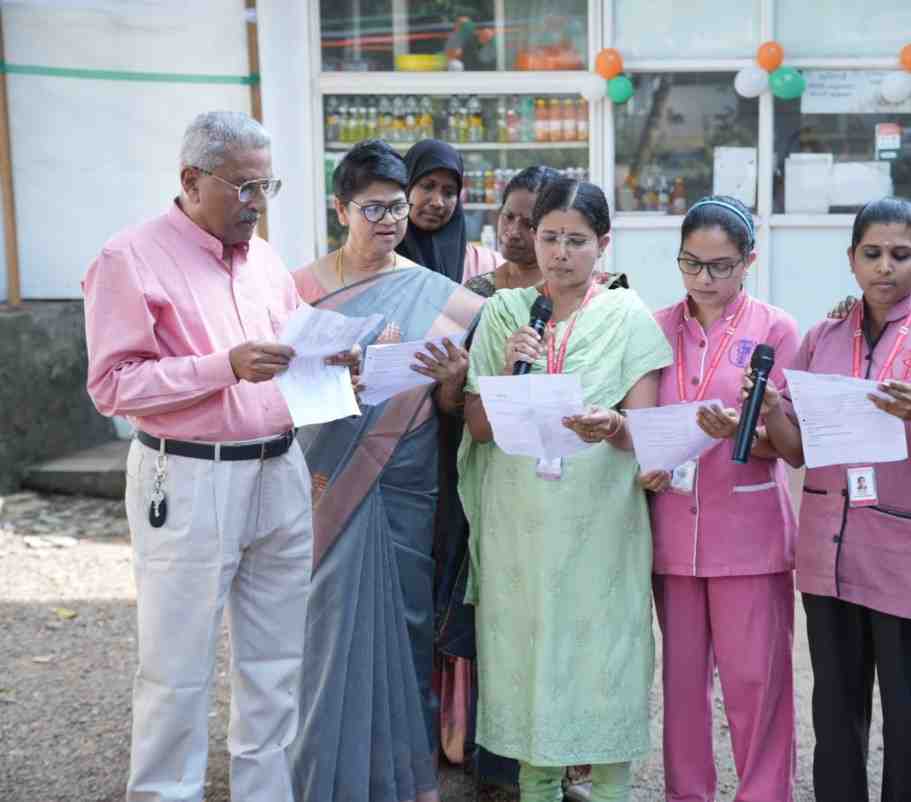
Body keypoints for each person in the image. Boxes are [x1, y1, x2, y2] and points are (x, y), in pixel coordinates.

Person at [83, 110, 343, 802]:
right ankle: (167, 792)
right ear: (191, 181)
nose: (258, 205)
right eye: (245, 188)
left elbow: (281, 359)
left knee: (277, 660)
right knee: (176, 666)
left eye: (268, 187)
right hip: (190, 475)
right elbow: (112, 386)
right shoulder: (127, 258)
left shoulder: (263, 260)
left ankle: (266, 792)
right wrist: (221, 366)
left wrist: (329, 360)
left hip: (279, 468)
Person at [757, 197, 911, 802]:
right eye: (872, 254)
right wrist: (770, 411)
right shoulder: (823, 336)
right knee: (835, 716)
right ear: (851, 259)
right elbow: (794, 451)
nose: (884, 267)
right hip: (829, 558)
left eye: (900, 254)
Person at [458, 177, 672, 802]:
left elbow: (644, 435)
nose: (558, 252)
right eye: (548, 236)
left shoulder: (628, 317)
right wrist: (502, 373)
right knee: (531, 662)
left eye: (575, 240)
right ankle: (538, 787)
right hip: (518, 529)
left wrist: (613, 426)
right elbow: (476, 426)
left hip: (599, 525)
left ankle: (608, 788)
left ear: (603, 244)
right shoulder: (503, 312)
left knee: (603, 658)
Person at [288, 139, 485, 801]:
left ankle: (405, 778)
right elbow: (275, 393)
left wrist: (455, 381)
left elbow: (451, 406)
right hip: (324, 473)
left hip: (404, 473)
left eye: (397, 207)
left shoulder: (439, 297)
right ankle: (319, 775)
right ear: (340, 208)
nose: (389, 220)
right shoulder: (300, 291)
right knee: (323, 628)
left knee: (403, 626)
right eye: (373, 207)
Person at [636, 196, 801, 802]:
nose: (704, 279)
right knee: (682, 684)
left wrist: (748, 430)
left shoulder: (776, 329)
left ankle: (763, 793)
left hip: (749, 532)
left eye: (721, 266)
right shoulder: (653, 327)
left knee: (756, 681)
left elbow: (793, 447)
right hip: (674, 531)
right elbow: (640, 419)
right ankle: (688, 793)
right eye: (691, 263)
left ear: (749, 261)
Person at [466, 165, 627, 299]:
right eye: (508, 216)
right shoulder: (477, 293)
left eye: (528, 223)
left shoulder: (605, 294)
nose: (513, 232)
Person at [398, 138, 502, 284]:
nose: (437, 203)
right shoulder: (378, 263)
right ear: (406, 187)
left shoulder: (486, 267)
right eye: (427, 186)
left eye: (449, 192)